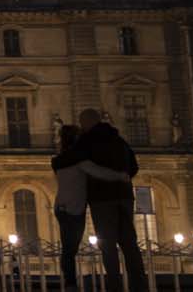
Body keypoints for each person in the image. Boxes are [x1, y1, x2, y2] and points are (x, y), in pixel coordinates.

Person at [55, 108, 145, 292]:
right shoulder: (120, 141)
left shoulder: (86, 142)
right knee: (129, 243)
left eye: (81, 124)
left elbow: (73, 160)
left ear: (86, 123)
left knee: (108, 244)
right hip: (125, 196)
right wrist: (124, 178)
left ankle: (114, 286)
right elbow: (134, 166)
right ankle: (139, 286)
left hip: (102, 199)